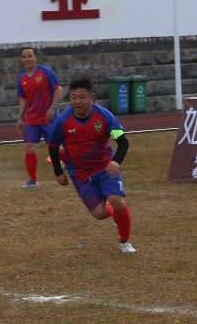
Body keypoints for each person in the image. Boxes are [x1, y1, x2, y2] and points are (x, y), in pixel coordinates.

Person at [46, 78, 135, 254]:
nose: (77, 101)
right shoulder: (63, 121)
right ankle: (116, 214)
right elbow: (53, 146)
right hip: (80, 174)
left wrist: (115, 161)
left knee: (117, 201)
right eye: (73, 97)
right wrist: (58, 172)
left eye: (82, 97)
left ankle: (125, 242)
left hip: (105, 168)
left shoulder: (105, 116)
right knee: (99, 213)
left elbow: (123, 142)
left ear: (91, 97)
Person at [17, 47, 62, 189]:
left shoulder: (45, 72)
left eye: (30, 56)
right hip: (31, 120)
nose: (27, 59)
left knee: (57, 148)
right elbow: (23, 98)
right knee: (29, 147)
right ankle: (33, 180)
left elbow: (58, 89)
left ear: (35, 58)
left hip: (49, 118)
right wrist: (20, 118)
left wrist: (52, 109)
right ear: (22, 60)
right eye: (24, 57)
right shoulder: (22, 78)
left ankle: (74, 167)